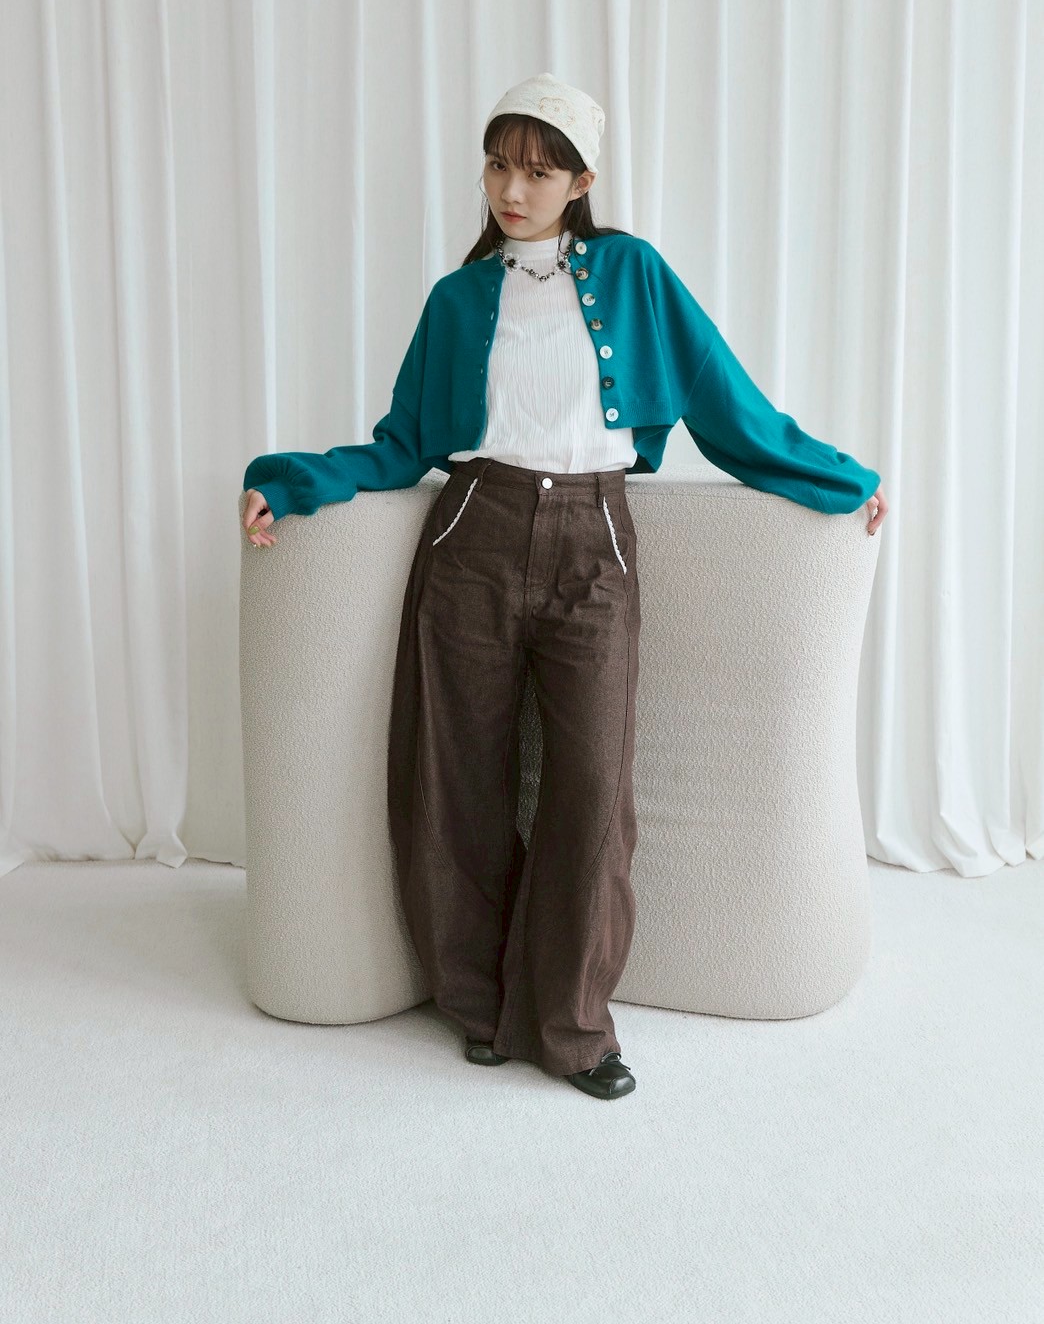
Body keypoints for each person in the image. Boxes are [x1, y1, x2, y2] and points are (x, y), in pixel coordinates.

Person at [241, 71, 888, 1101]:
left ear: (582, 181)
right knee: (458, 781)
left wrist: (838, 478)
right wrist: (290, 482)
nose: (513, 189)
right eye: (500, 165)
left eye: (539, 172)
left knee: (593, 792)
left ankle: (575, 1025)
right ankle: (481, 1008)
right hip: (472, 532)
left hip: (596, 543)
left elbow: (725, 400)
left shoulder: (632, 273)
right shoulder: (457, 299)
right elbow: (403, 442)